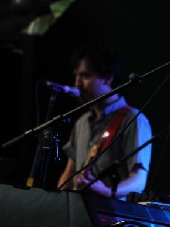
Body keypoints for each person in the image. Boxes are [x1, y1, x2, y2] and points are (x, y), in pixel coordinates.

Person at [57, 43, 152, 200]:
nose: (77, 84)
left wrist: (107, 191)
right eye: (76, 76)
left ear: (108, 78)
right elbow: (69, 172)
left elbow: (139, 180)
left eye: (85, 76)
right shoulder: (81, 122)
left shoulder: (134, 119)